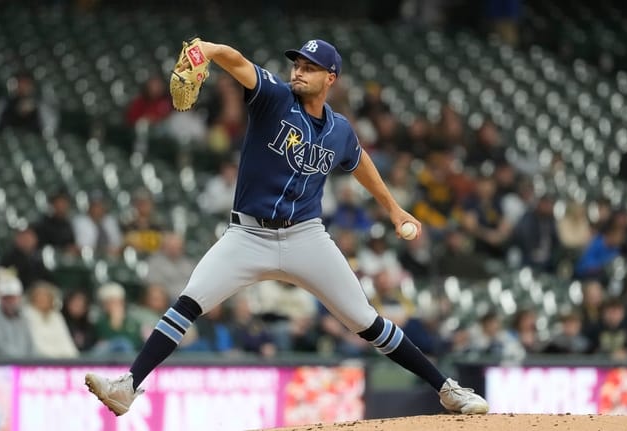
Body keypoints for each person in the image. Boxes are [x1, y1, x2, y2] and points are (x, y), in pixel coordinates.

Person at [85, 38, 488, 416]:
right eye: (297, 64)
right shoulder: (273, 98)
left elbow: (358, 159)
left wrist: (395, 209)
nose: (298, 71)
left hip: (305, 237)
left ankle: (446, 389)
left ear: (330, 78)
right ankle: (128, 385)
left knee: (367, 321)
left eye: (310, 67)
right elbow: (238, 62)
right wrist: (206, 48)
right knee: (189, 301)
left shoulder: (340, 130)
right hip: (247, 235)